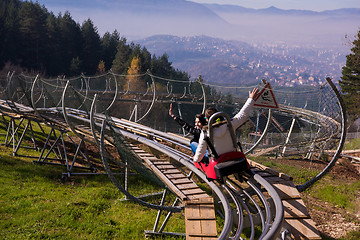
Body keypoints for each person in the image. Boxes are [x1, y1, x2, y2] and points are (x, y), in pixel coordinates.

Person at [193, 87, 260, 163]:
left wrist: (195, 159)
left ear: (207, 119)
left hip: (218, 160)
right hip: (232, 156)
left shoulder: (205, 133)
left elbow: (201, 151)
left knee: (194, 145)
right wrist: (251, 99)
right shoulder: (229, 125)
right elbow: (242, 115)